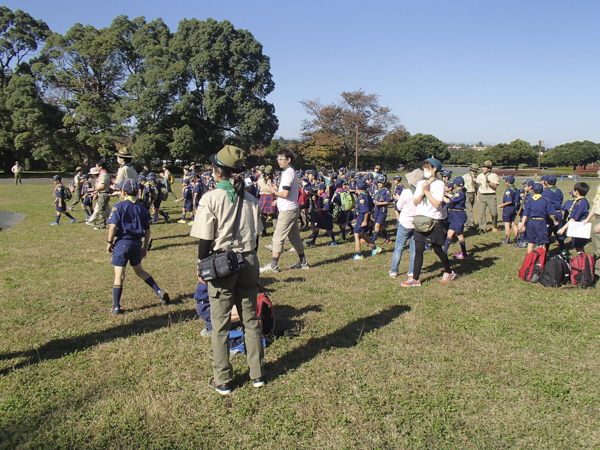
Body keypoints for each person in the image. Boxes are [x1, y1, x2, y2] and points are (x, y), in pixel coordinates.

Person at [190, 145, 265, 395]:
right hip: (249, 260)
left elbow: (204, 238)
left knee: (220, 321)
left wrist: (201, 263)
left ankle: (222, 379)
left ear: (217, 171)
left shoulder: (210, 198)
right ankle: (257, 374)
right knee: (250, 319)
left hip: (222, 262)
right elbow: (255, 238)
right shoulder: (251, 198)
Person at [106, 178, 170, 315]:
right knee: (139, 271)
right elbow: (147, 231)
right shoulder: (142, 208)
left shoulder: (119, 206)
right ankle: (159, 291)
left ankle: (116, 306)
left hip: (122, 243)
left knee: (119, 276)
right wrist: (145, 247)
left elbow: (112, 226)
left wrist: (109, 242)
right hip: (136, 243)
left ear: (123, 192)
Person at [401, 158, 456, 287]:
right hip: (420, 220)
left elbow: (437, 203)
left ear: (434, 169)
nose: (425, 171)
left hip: (434, 220)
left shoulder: (439, 184)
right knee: (418, 249)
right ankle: (415, 279)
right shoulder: (421, 183)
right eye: (424, 168)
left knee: (437, 249)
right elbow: (415, 202)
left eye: (427, 168)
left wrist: (426, 191)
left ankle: (449, 272)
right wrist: (422, 191)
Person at [260, 149, 309, 273]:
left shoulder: (288, 173)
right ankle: (303, 262)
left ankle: (273, 266)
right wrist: (277, 189)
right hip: (292, 208)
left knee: (277, 237)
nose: (279, 161)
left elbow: (285, 194)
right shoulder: (290, 171)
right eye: (278, 159)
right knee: (294, 237)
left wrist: (274, 192)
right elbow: (288, 191)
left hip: (287, 210)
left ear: (289, 160)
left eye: (281, 159)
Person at [389, 168, 423, 279]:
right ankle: (412, 271)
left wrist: (399, 199)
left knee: (399, 247)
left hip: (405, 223)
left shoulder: (407, 192)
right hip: (417, 224)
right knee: (414, 250)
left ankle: (394, 270)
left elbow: (399, 206)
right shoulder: (423, 193)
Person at [517, 183, 559, 254]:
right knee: (542, 242)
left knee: (530, 242)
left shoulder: (529, 200)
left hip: (531, 221)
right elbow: (551, 213)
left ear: (533, 190)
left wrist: (522, 223)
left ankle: (530, 258)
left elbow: (526, 213)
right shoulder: (545, 200)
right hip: (541, 222)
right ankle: (541, 259)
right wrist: (555, 221)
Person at [352, 180, 382, 260]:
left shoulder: (362, 197)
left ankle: (359, 254)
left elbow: (365, 210)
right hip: (364, 216)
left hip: (362, 217)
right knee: (362, 234)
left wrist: (365, 221)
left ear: (357, 187)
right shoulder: (367, 194)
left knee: (356, 233)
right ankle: (375, 248)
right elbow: (371, 207)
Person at [557, 182, 590, 252]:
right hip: (577, 227)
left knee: (579, 248)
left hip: (580, 227)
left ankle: (582, 262)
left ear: (577, 191)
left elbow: (574, 218)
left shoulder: (581, 203)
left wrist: (563, 229)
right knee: (577, 247)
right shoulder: (580, 201)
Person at [443, 176, 468, 259]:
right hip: (454, 214)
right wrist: (446, 194)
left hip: (459, 215)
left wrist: (441, 195)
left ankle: (464, 254)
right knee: (450, 233)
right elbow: (452, 196)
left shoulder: (460, 193)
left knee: (459, 234)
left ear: (456, 184)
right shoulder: (459, 192)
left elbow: (449, 201)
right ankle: (444, 251)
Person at [477, 160, 500, 233]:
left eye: (485, 167)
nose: (483, 168)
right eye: (483, 167)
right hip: (482, 195)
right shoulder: (480, 176)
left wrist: (488, 182)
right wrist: (478, 196)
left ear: (489, 168)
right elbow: (478, 186)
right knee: (482, 213)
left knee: (494, 213)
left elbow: (495, 186)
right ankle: (482, 228)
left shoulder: (494, 176)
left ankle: (494, 225)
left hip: (491, 195)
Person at [499, 175, 519, 245]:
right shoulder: (515, 189)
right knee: (514, 223)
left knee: (507, 224)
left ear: (507, 182)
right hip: (514, 207)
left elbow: (509, 201)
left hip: (508, 208)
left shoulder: (509, 190)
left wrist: (501, 205)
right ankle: (517, 238)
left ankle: (507, 239)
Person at [257, 165, 277, 236]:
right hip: (271, 198)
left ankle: (263, 232)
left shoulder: (260, 180)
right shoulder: (274, 181)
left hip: (263, 198)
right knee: (274, 215)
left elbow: (258, 189)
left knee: (263, 216)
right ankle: (276, 230)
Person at [372, 175, 391, 245]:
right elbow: (374, 198)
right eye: (378, 182)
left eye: (381, 182)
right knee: (381, 226)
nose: (379, 184)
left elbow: (388, 201)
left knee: (377, 226)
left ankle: (372, 241)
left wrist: (379, 203)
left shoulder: (386, 191)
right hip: (376, 209)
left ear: (384, 183)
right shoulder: (376, 190)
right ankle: (387, 238)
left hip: (382, 209)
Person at [94, 161, 112, 230]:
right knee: (101, 209)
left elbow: (102, 186)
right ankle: (102, 225)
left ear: (100, 166)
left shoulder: (103, 175)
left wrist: (94, 189)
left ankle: (112, 219)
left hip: (103, 193)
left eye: (97, 166)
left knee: (101, 210)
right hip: (101, 193)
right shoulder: (102, 174)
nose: (96, 168)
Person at [463, 164, 479, 228]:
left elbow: (477, 188)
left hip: (473, 193)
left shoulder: (476, 178)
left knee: (470, 209)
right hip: (467, 193)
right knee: (469, 209)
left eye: (475, 171)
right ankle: (471, 223)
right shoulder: (465, 176)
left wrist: (475, 182)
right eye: (473, 171)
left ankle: (467, 222)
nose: (474, 172)